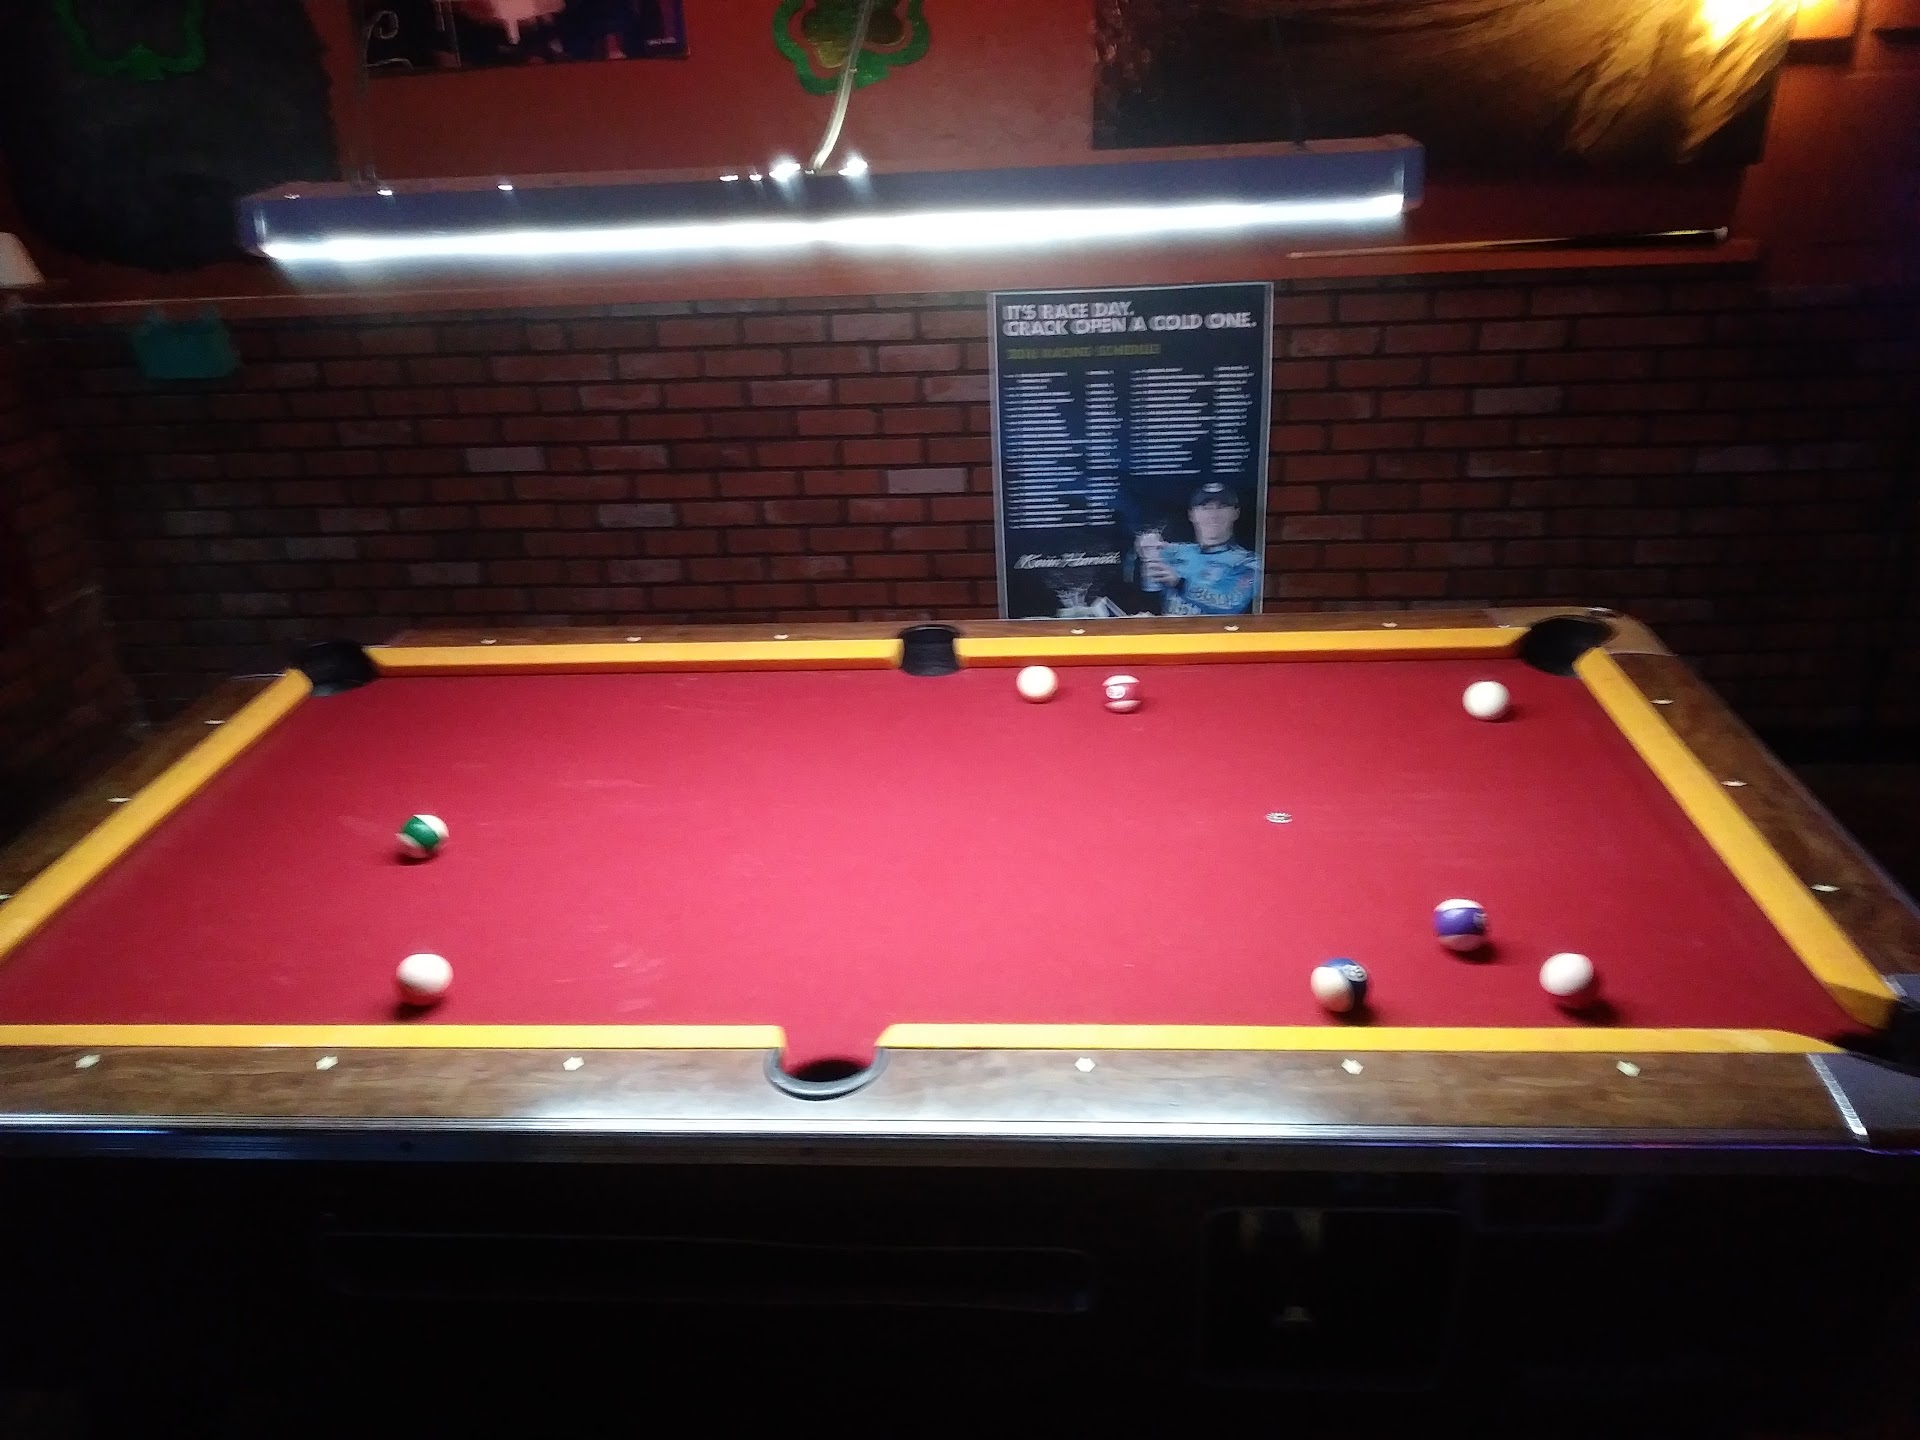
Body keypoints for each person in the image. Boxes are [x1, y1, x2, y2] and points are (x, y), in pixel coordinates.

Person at [1137, 481, 1259, 615]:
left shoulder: (1247, 562)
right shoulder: (1175, 552)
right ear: (1192, 514)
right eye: (1205, 507)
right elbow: (1147, 591)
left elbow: (1232, 604)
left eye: (1222, 506)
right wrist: (1145, 545)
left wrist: (1179, 583)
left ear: (1236, 512)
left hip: (1215, 629)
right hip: (1168, 627)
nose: (1213, 514)